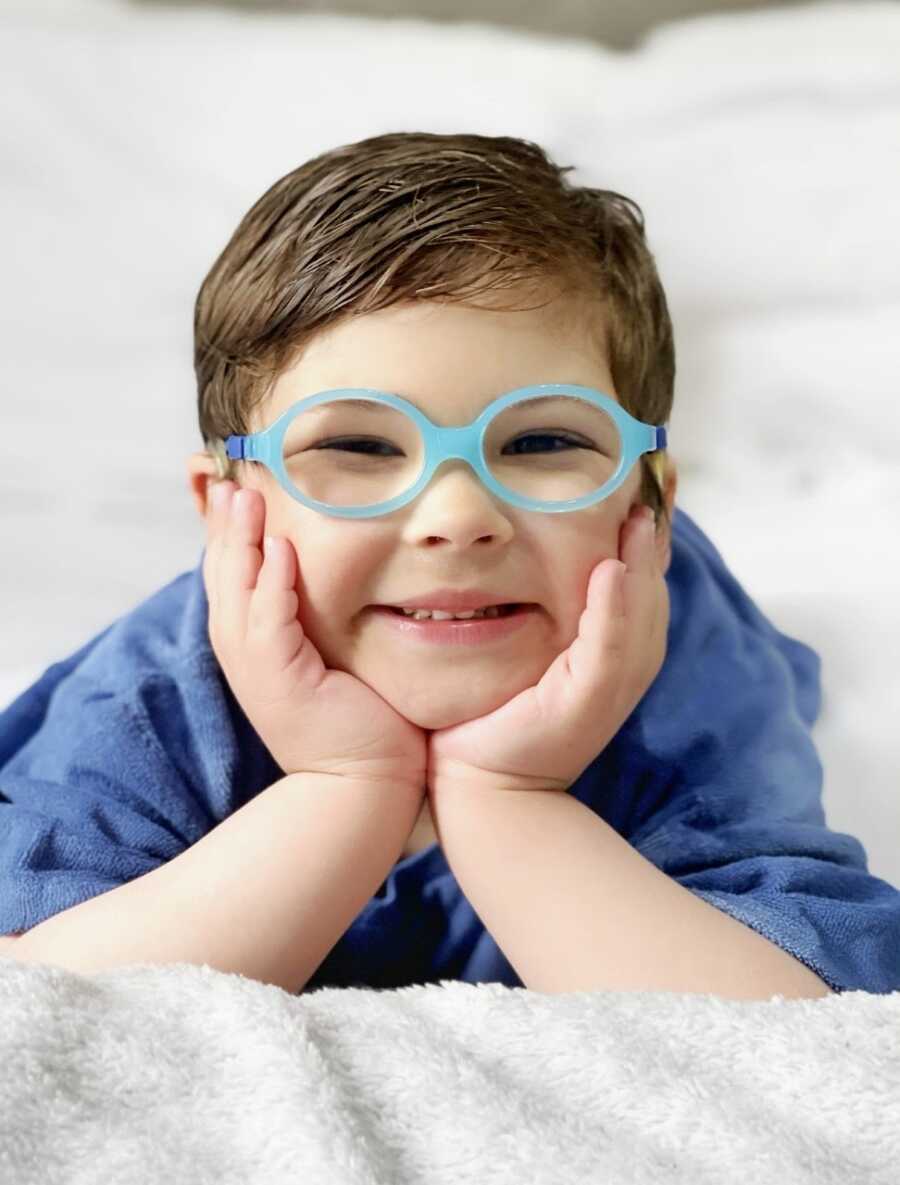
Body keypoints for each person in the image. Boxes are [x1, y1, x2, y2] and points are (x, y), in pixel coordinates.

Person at [1, 132, 898, 998]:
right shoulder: (155, 693)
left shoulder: (690, 668)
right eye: (356, 443)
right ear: (229, 509)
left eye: (543, 439)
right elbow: (39, 986)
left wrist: (510, 798)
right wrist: (343, 786)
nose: (459, 516)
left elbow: (808, 1008)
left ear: (649, 504)